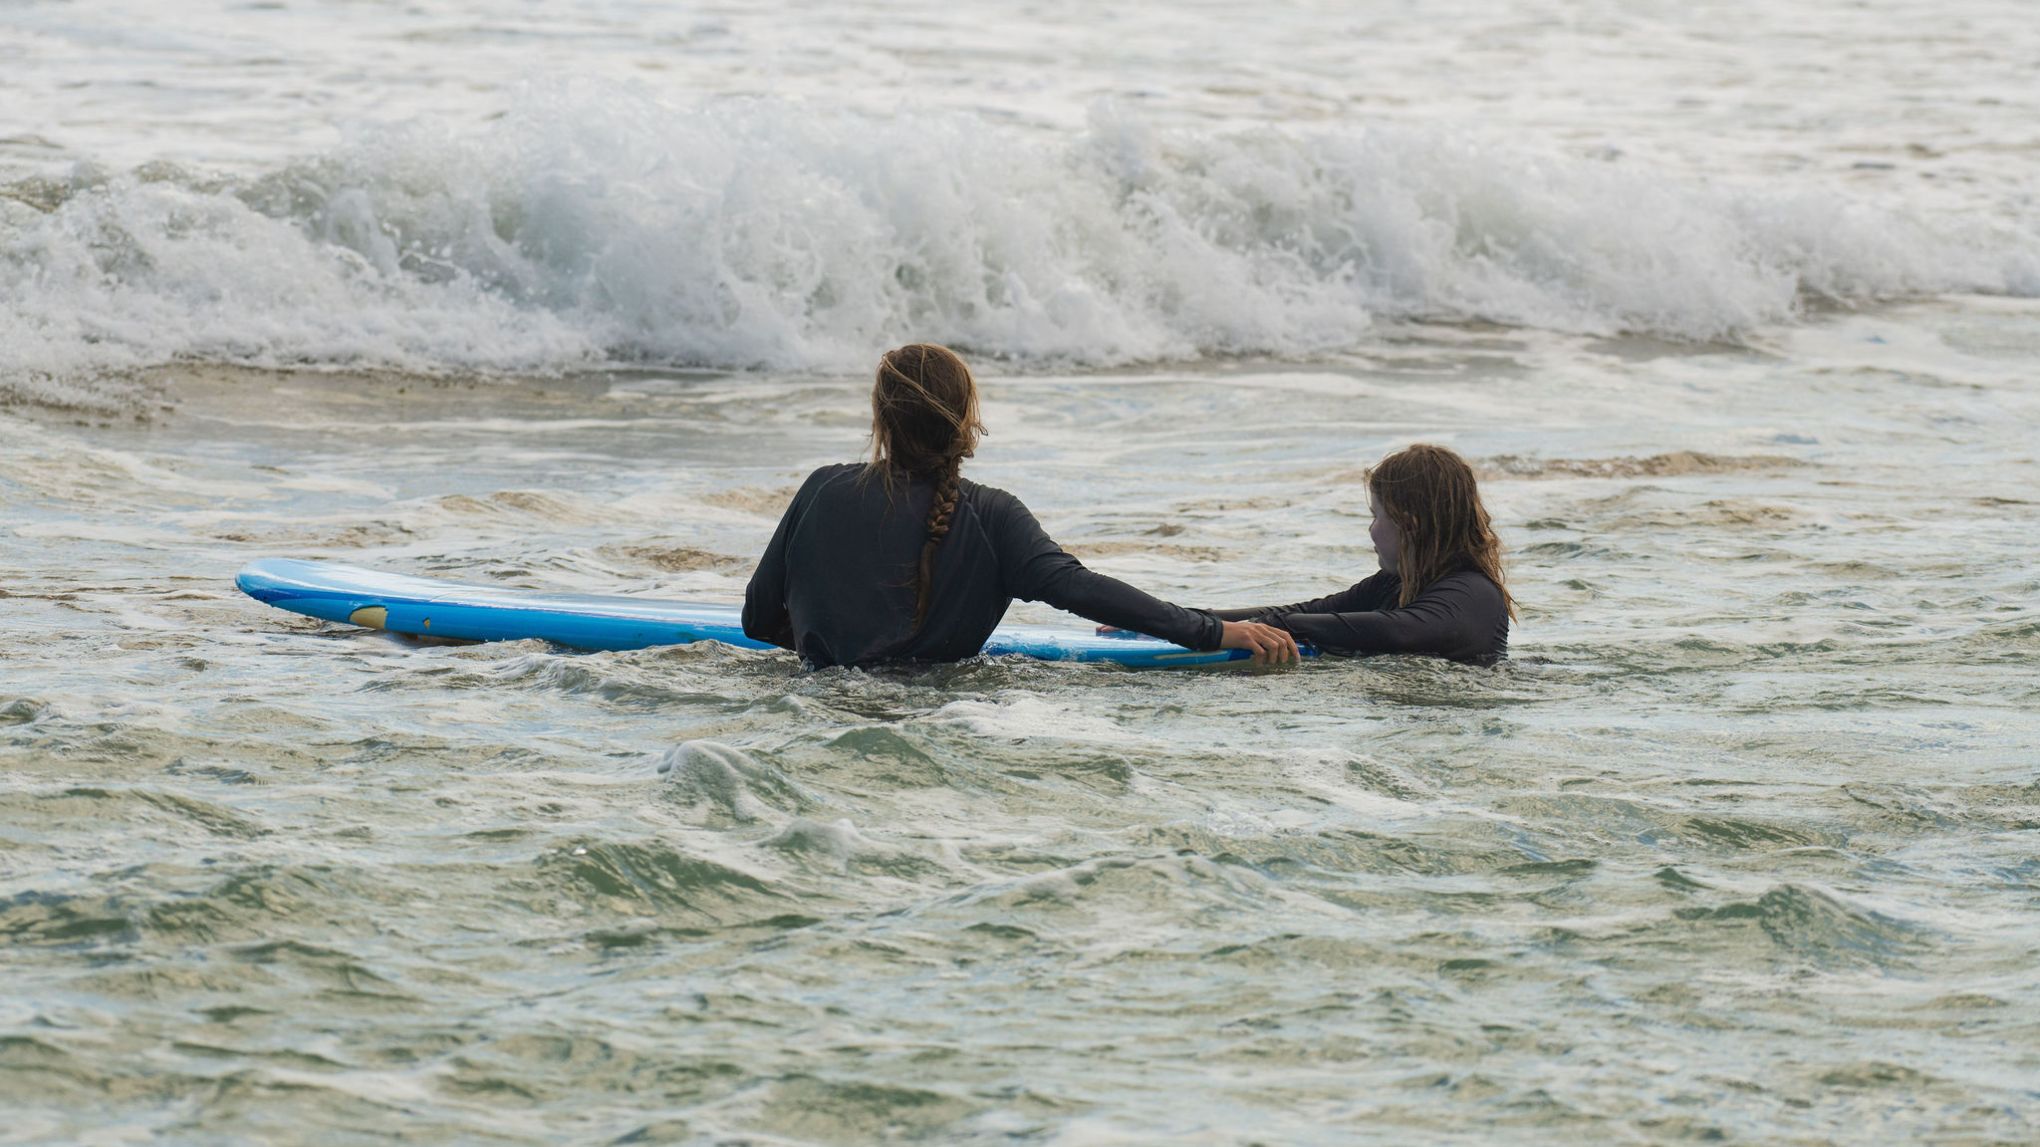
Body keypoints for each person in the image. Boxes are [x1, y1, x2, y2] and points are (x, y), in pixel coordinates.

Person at [742, 343, 1299, 669]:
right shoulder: (991, 517)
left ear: (881, 420)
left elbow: (758, 618)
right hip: (938, 720)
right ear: (966, 421)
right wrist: (1212, 632)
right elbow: (1082, 589)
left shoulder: (820, 489)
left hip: (819, 711)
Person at [1205, 444, 1514, 665]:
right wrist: (1196, 621)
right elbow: (1315, 611)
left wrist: (1277, 624)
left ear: (1410, 525)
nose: (1371, 530)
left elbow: (1402, 631)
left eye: (1375, 516)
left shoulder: (1473, 593)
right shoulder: (1393, 584)